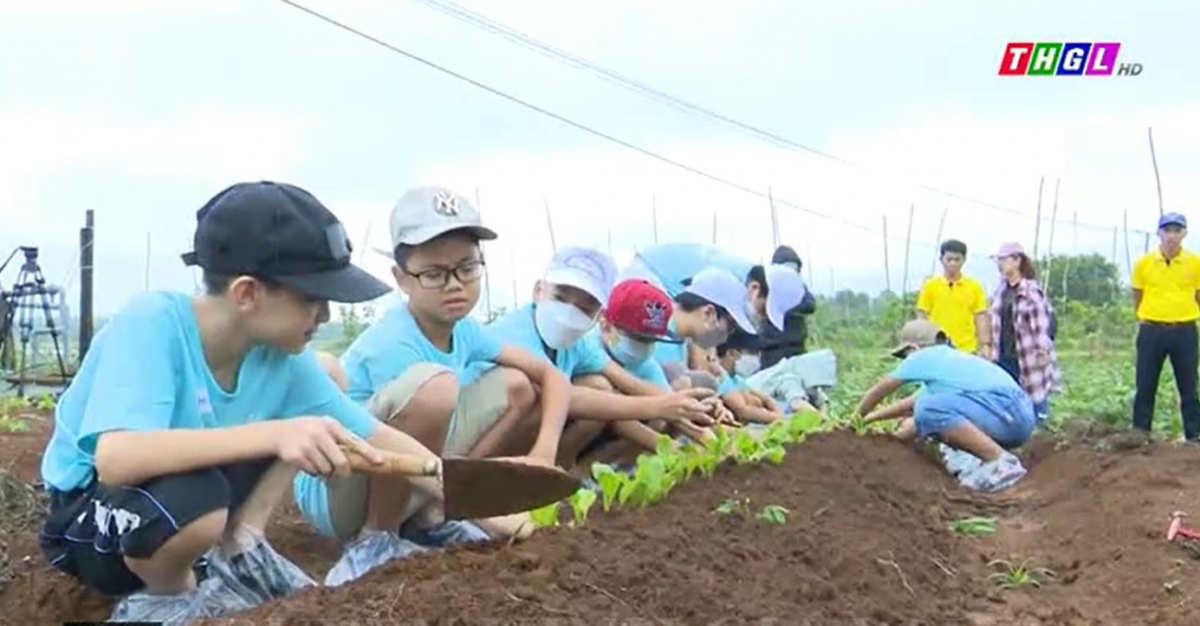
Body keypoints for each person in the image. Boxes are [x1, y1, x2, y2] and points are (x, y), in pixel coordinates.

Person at [36, 182, 486, 625]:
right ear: (247, 293)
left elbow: (374, 437)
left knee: (320, 387)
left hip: (179, 503)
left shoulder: (278, 355)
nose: (325, 315)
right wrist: (277, 433)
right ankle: (166, 599)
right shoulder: (152, 323)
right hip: (92, 518)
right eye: (313, 299)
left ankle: (236, 548)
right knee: (199, 497)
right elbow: (117, 458)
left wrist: (488, 505)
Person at [292, 186, 565, 586]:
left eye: (466, 268)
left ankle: (428, 518)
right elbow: (390, 446)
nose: (455, 284)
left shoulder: (465, 329)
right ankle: (376, 539)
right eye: (435, 274)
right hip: (339, 485)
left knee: (516, 385)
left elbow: (549, 375)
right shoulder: (394, 341)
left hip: (413, 473)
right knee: (436, 389)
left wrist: (544, 452)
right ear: (402, 279)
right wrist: (482, 506)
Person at [478, 256, 717, 468]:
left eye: (585, 307)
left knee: (600, 387)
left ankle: (559, 473)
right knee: (541, 389)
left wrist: (693, 419)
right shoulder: (517, 334)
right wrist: (658, 410)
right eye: (561, 297)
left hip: (536, 432)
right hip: (478, 436)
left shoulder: (577, 343)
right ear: (539, 291)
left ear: (597, 314)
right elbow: (564, 395)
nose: (569, 313)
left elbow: (634, 384)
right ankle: (503, 479)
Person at [855, 319, 1032, 492]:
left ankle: (1001, 462)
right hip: (1017, 417)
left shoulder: (924, 357)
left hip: (1005, 408)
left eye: (904, 356)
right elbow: (912, 406)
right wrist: (879, 428)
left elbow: (881, 389)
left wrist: (857, 417)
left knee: (928, 409)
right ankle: (993, 460)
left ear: (913, 349)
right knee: (928, 409)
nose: (904, 360)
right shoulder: (951, 362)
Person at [1130, 212, 1200, 441]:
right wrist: (1147, 316)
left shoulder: (1194, 263)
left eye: (1176, 231)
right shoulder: (1144, 264)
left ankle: (1194, 436)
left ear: (1184, 234)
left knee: (1189, 387)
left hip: (1185, 331)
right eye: (1167, 230)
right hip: (1152, 330)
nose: (1171, 236)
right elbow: (1137, 295)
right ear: (1159, 233)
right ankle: (1140, 434)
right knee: (1145, 385)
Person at [988, 242, 1060, 422]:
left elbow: (1041, 322)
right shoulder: (1001, 290)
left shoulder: (1031, 290)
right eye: (999, 260)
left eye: (1003, 260)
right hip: (1004, 352)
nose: (1000, 264)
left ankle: (1039, 431)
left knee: (1034, 393)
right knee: (1008, 396)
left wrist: (1043, 349)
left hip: (1028, 352)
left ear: (1017, 260)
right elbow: (994, 319)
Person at [916, 239, 992, 357]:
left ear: (964, 260)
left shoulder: (974, 286)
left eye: (957, 260)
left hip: (966, 349)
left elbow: (980, 317)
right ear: (941, 260)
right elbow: (922, 315)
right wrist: (921, 344)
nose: (953, 264)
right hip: (936, 347)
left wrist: (985, 345)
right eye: (949, 259)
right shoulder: (930, 286)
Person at [758, 245, 817, 368]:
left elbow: (810, 305)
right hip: (772, 351)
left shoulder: (799, 290)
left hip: (796, 350)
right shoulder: (766, 288)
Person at [714, 331, 789, 424]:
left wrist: (778, 414)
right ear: (731, 353)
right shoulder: (720, 375)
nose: (757, 358)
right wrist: (778, 418)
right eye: (752, 352)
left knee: (754, 401)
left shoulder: (737, 379)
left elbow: (764, 399)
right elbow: (743, 411)